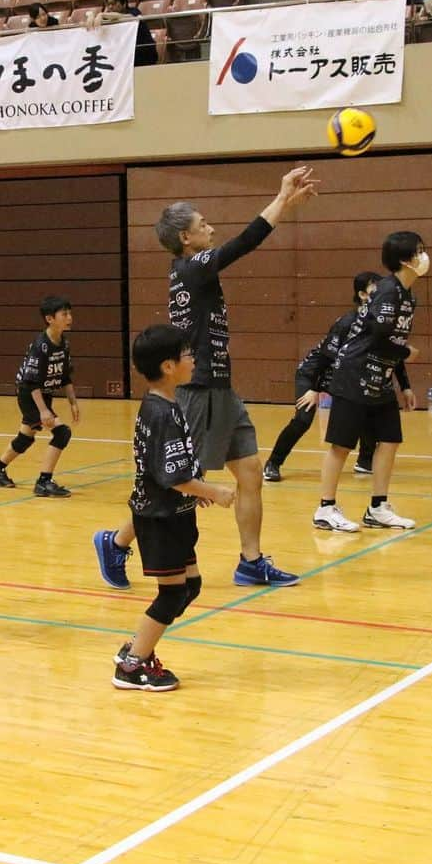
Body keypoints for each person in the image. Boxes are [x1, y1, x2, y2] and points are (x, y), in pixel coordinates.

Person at [93, 168, 317, 591]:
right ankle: (117, 542)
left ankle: (250, 561)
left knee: (249, 469)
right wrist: (283, 198)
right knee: (175, 481)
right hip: (198, 392)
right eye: (202, 225)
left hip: (220, 387)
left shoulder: (194, 270)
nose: (211, 228)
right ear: (185, 239)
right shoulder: (192, 267)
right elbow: (246, 242)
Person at [110, 324, 236, 691]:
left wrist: (194, 491)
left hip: (176, 514)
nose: (192, 359)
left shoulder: (167, 404)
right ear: (167, 366)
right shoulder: (161, 413)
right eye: (186, 355)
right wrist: (213, 490)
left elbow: (170, 467)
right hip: (159, 518)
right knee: (173, 594)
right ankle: (132, 665)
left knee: (190, 586)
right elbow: (173, 476)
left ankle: (138, 646)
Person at [314, 232, 427, 533]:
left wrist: (403, 383)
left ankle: (378, 507)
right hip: (355, 374)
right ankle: (325, 508)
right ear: (405, 260)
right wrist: (406, 353)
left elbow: (393, 339)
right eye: (419, 251)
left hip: (381, 378)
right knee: (341, 445)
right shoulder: (388, 291)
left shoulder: (408, 296)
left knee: (390, 440)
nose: (424, 256)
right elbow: (378, 338)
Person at [263, 271, 396, 483]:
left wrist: (405, 386)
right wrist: (314, 389)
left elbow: (392, 353)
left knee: (366, 408)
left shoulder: (380, 324)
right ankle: (273, 463)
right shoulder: (348, 322)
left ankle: (365, 460)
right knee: (303, 419)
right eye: (374, 290)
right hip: (314, 373)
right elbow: (326, 356)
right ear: (362, 294)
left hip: (343, 376)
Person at [0, 295, 79, 497]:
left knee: (25, 438)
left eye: (69, 313)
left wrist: (73, 402)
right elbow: (30, 382)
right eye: (64, 314)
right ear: (50, 319)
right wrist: (44, 411)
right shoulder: (41, 346)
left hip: (44, 395)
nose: (69, 317)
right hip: (30, 395)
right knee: (62, 433)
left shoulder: (63, 343)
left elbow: (65, 376)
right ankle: (43, 482)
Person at [86, 0, 158, 67]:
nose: (110, 7)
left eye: (113, 4)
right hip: (125, 56)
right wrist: (92, 16)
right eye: (108, 4)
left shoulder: (134, 12)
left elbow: (127, 17)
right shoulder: (107, 17)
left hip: (144, 54)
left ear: (124, 4)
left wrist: (102, 14)